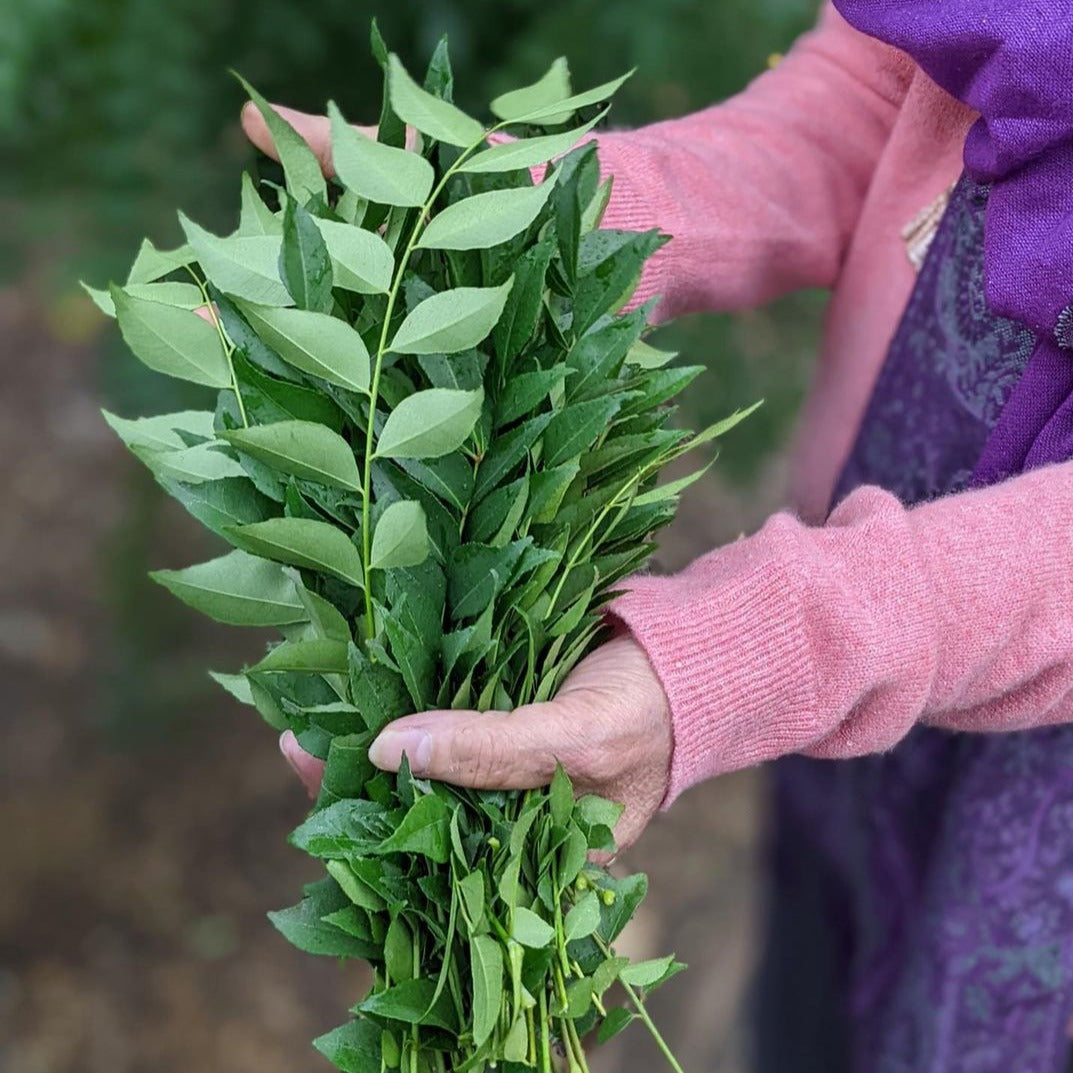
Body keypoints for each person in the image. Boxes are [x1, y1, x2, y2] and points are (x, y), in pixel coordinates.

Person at [243, 3, 1073, 1070]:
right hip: (857, 657)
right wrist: (560, 232)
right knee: (813, 984)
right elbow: (891, 82)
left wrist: (741, 655)